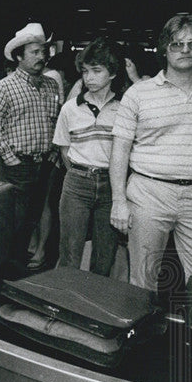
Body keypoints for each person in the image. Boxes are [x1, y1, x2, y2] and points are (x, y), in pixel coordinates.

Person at [110, 14, 192, 292]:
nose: (185, 50)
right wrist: (118, 200)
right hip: (148, 192)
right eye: (176, 44)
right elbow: (120, 148)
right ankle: (139, 334)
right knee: (142, 281)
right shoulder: (139, 93)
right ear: (164, 49)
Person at [0, 23, 62, 270]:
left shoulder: (50, 85)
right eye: (35, 52)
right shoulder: (5, 87)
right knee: (13, 221)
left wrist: (53, 154)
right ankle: (5, 272)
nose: (42, 57)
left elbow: (54, 121)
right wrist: (9, 158)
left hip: (44, 164)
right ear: (19, 56)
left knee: (34, 218)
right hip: (16, 165)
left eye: (43, 52)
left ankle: (18, 269)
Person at [53, 38, 128, 275]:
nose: (89, 78)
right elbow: (64, 149)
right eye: (85, 71)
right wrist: (80, 172)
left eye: (97, 71)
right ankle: (63, 303)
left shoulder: (125, 108)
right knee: (70, 252)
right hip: (77, 182)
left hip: (111, 187)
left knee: (104, 255)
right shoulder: (70, 108)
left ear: (113, 73)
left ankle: (93, 306)